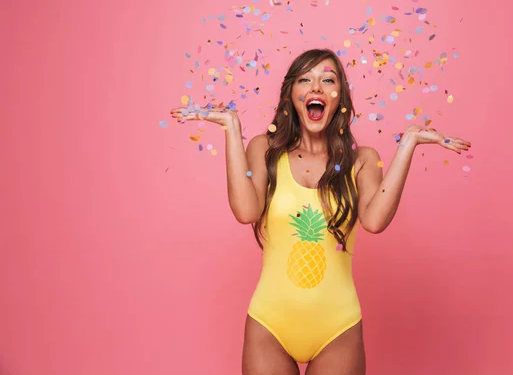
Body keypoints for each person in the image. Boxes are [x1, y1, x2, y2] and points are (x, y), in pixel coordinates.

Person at [170, 48, 471, 374]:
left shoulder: (362, 160)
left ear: (339, 95)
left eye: (327, 79)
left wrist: (408, 144)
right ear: (291, 95)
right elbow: (246, 212)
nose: (315, 87)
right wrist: (231, 127)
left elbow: (374, 221)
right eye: (305, 80)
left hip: (337, 326)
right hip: (270, 322)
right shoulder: (264, 150)